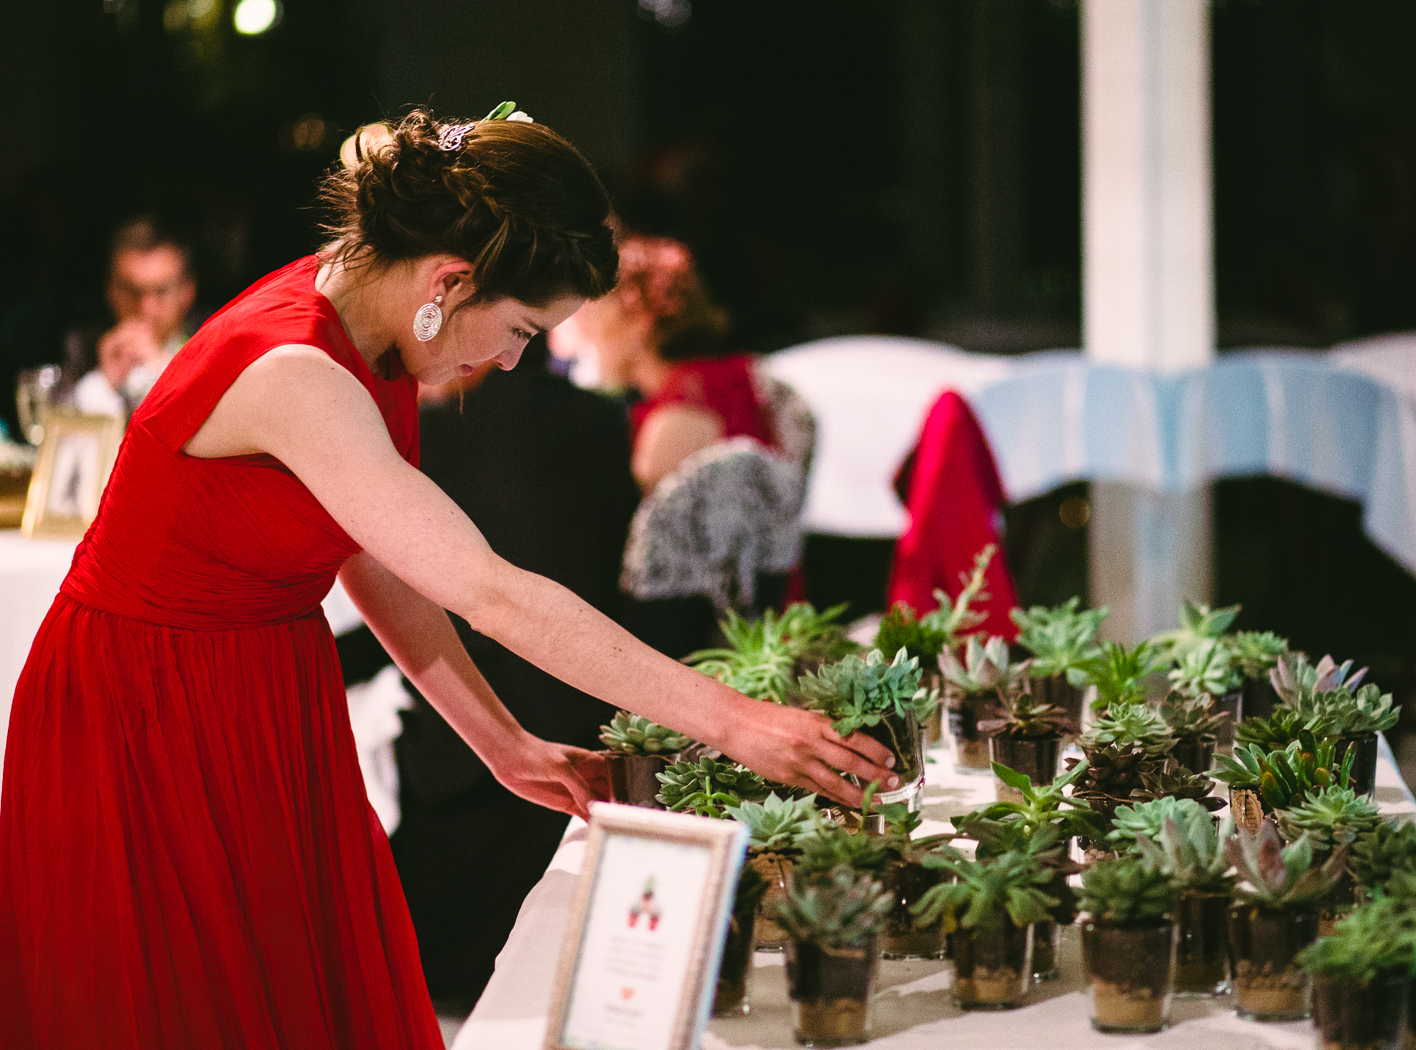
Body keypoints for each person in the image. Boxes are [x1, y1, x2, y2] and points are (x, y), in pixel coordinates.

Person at [0, 107, 895, 1049]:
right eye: (517, 329)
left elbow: (377, 558)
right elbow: (488, 587)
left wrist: (502, 742)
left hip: (259, 688)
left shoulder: (364, 329)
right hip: (145, 709)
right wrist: (739, 721)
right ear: (448, 281)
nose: (512, 360)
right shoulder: (297, 368)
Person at [390, 339, 639, 1007]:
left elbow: (443, 593)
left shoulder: (431, 431)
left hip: (466, 749)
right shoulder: (608, 420)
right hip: (581, 717)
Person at [550, 233, 777, 492]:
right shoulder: (735, 376)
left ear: (639, 323)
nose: (588, 337)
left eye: (595, 317)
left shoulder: (673, 423)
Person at [62, 215, 197, 419]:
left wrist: (163, 373)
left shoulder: (211, 349)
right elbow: (61, 439)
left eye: (161, 291)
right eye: (131, 291)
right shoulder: (82, 345)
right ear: (110, 289)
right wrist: (102, 380)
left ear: (187, 291)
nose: (146, 308)